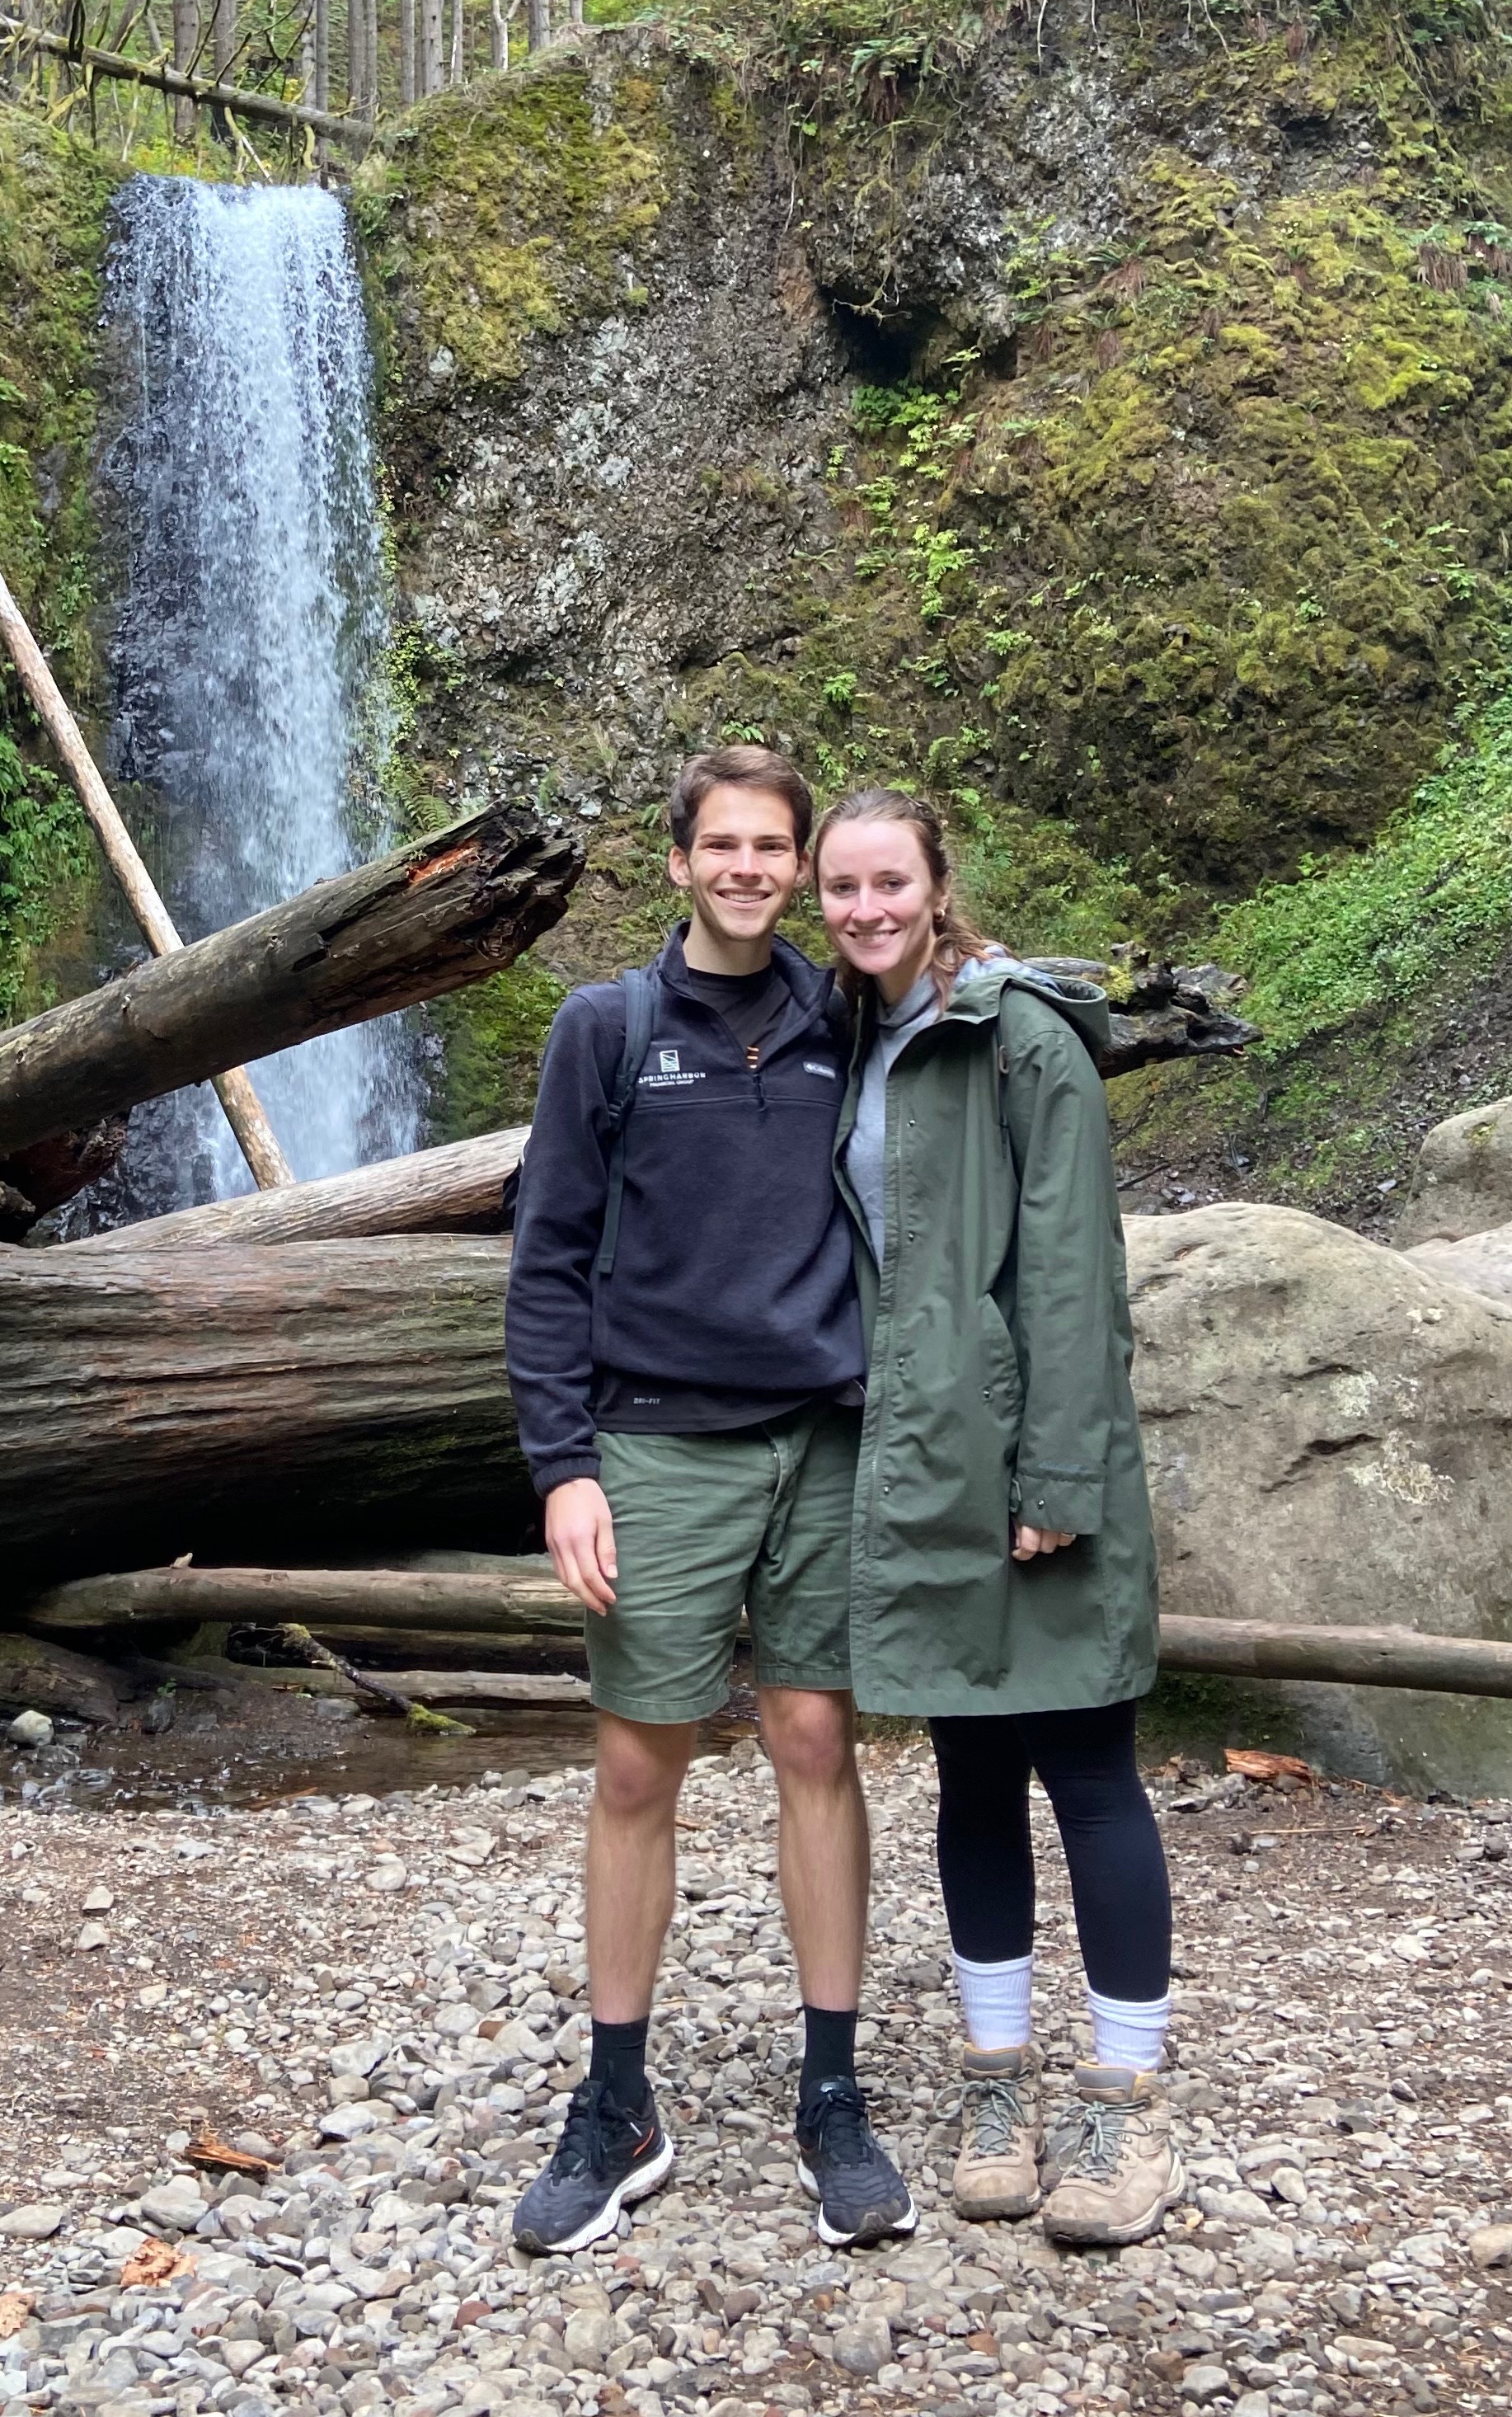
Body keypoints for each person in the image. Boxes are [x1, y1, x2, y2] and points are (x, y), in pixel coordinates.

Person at [501, 745, 915, 2256]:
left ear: (798, 868)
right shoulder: (605, 1030)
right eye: (722, 845)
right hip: (659, 1445)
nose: (748, 868)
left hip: (823, 1435)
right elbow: (548, 1258)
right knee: (634, 1768)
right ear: (677, 861)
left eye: (773, 848)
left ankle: (831, 2090)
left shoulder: (844, 1016)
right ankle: (618, 2102)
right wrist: (565, 1471)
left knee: (816, 1737)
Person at [815, 785, 1180, 2249]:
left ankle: (1127, 2101)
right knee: (969, 1776)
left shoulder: (1022, 1039)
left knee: (1088, 1771)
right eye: (839, 887)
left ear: (937, 881)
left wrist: (1062, 1481)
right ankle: (996, 2082)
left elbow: (1075, 1273)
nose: (863, 908)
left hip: (1026, 1460)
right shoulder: (845, 1035)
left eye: (887, 882)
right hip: (914, 1460)